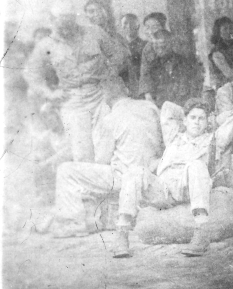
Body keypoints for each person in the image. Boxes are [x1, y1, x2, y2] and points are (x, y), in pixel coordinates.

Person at [24, 0, 130, 163]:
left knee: (106, 148)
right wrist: (50, 94)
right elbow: (32, 73)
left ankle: (107, 184)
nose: (66, 25)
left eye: (69, 20)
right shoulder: (46, 44)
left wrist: (110, 74)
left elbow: (117, 55)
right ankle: (87, 186)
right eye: (61, 21)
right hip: (72, 99)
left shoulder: (94, 32)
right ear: (52, 20)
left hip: (100, 95)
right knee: (82, 152)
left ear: (75, 18)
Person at [112, 99, 215, 257]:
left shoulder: (211, 139)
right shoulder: (174, 137)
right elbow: (167, 108)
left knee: (196, 165)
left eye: (202, 118)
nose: (197, 122)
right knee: (133, 171)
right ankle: (122, 233)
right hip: (162, 188)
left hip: (185, 188)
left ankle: (202, 232)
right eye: (193, 118)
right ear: (185, 121)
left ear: (208, 122)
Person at [49, 97, 163, 237]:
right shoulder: (150, 108)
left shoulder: (110, 118)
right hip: (149, 176)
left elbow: (102, 159)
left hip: (124, 178)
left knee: (65, 170)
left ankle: (74, 223)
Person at [137, 30, 199, 108]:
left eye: (163, 46)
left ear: (171, 44)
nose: (159, 50)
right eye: (156, 47)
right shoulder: (152, 67)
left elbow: (195, 89)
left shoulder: (185, 63)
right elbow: (148, 95)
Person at [208, 16, 233, 93]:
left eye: (231, 28)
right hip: (225, 90)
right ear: (219, 32)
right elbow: (229, 74)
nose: (229, 32)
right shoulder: (217, 52)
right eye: (225, 29)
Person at [119, 13, 146, 97]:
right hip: (123, 87)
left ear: (138, 26)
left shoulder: (145, 45)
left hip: (140, 85)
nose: (129, 26)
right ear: (121, 27)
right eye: (125, 23)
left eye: (132, 23)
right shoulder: (118, 46)